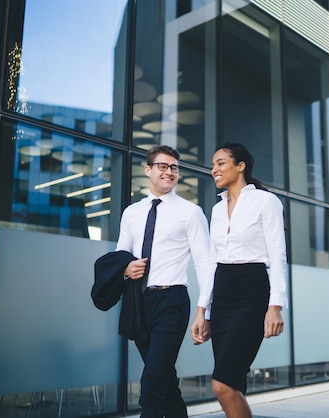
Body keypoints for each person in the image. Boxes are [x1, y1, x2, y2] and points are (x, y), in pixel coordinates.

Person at [191, 142, 287, 418]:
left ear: (240, 166)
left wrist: (275, 305)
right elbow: (212, 261)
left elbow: (278, 255)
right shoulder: (217, 209)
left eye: (220, 163)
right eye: (212, 165)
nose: (214, 169)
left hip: (252, 290)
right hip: (222, 293)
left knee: (222, 384)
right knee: (234, 383)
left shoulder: (266, 201)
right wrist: (202, 311)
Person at [116, 144, 212, 418]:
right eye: (163, 166)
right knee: (165, 382)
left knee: (151, 383)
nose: (169, 172)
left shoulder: (190, 212)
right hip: (138, 302)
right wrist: (126, 269)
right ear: (148, 170)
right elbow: (120, 255)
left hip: (171, 301)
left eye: (174, 167)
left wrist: (205, 311)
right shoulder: (132, 212)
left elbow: (205, 263)